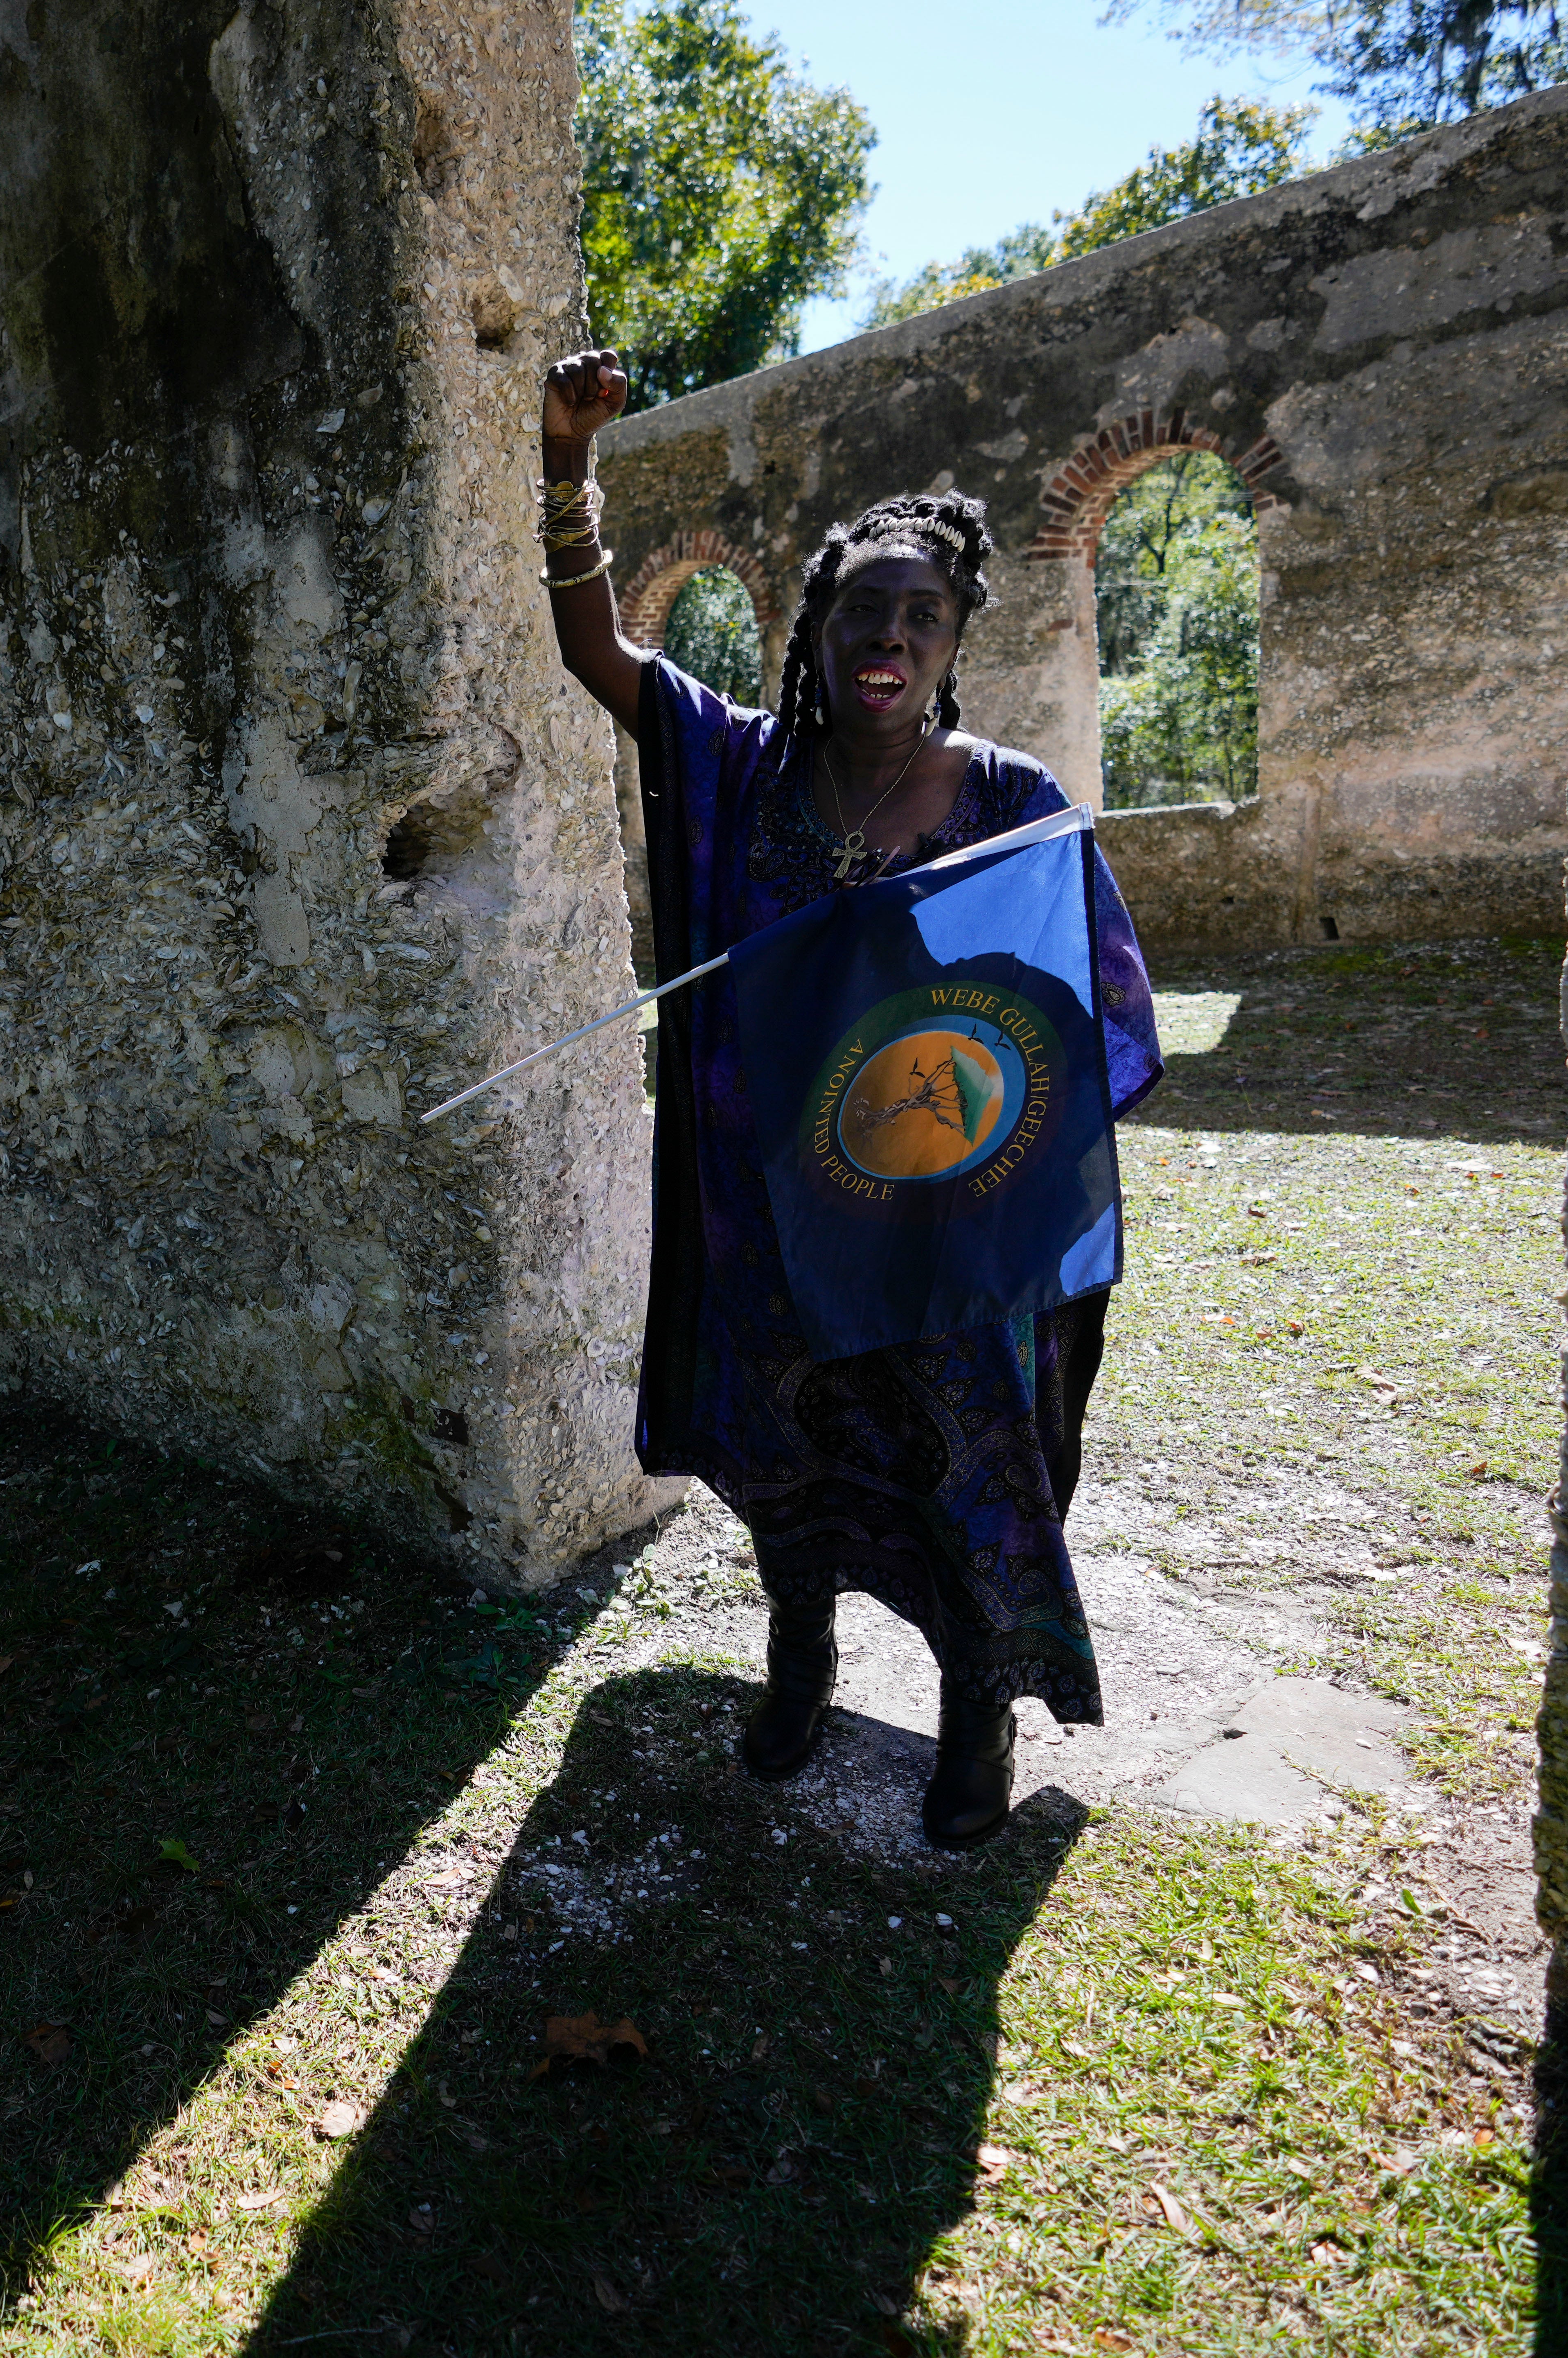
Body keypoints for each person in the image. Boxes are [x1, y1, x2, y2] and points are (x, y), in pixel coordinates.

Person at [534, 347, 1163, 1849]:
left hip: (944, 1220)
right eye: (861, 609)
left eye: (920, 616)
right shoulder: (742, 770)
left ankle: (974, 1716)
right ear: (813, 629)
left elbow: (1090, 999)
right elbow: (596, 656)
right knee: (793, 1456)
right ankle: (800, 1664)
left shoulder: (1007, 801)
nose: (888, 634)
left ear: (952, 642)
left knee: (963, 1464)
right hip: (771, 1210)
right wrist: (566, 468)